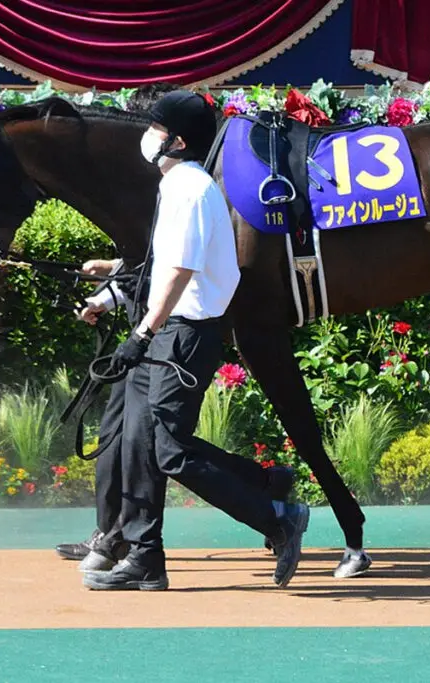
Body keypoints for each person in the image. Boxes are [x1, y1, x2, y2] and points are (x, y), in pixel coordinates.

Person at [80, 90, 310, 591]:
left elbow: (180, 271)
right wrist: (113, 287)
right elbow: (164, 263)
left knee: (170, 451)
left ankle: (276, 515)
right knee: (139, 444)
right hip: (169, 331)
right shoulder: (176, 185)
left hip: (183, 336)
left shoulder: (189, 189)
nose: (148, 136)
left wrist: (142, 334)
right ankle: (145, 555)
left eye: (156, 128)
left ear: (178, 141)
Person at [57, 257, 295, 573]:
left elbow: (176, 265)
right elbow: (146, 263)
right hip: (153, 329)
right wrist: (107, 293)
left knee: (163, 447)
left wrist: (139, 332)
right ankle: (117, 534)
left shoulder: (188, 220)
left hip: (168, 331)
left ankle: (125, 539)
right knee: (123, 436)